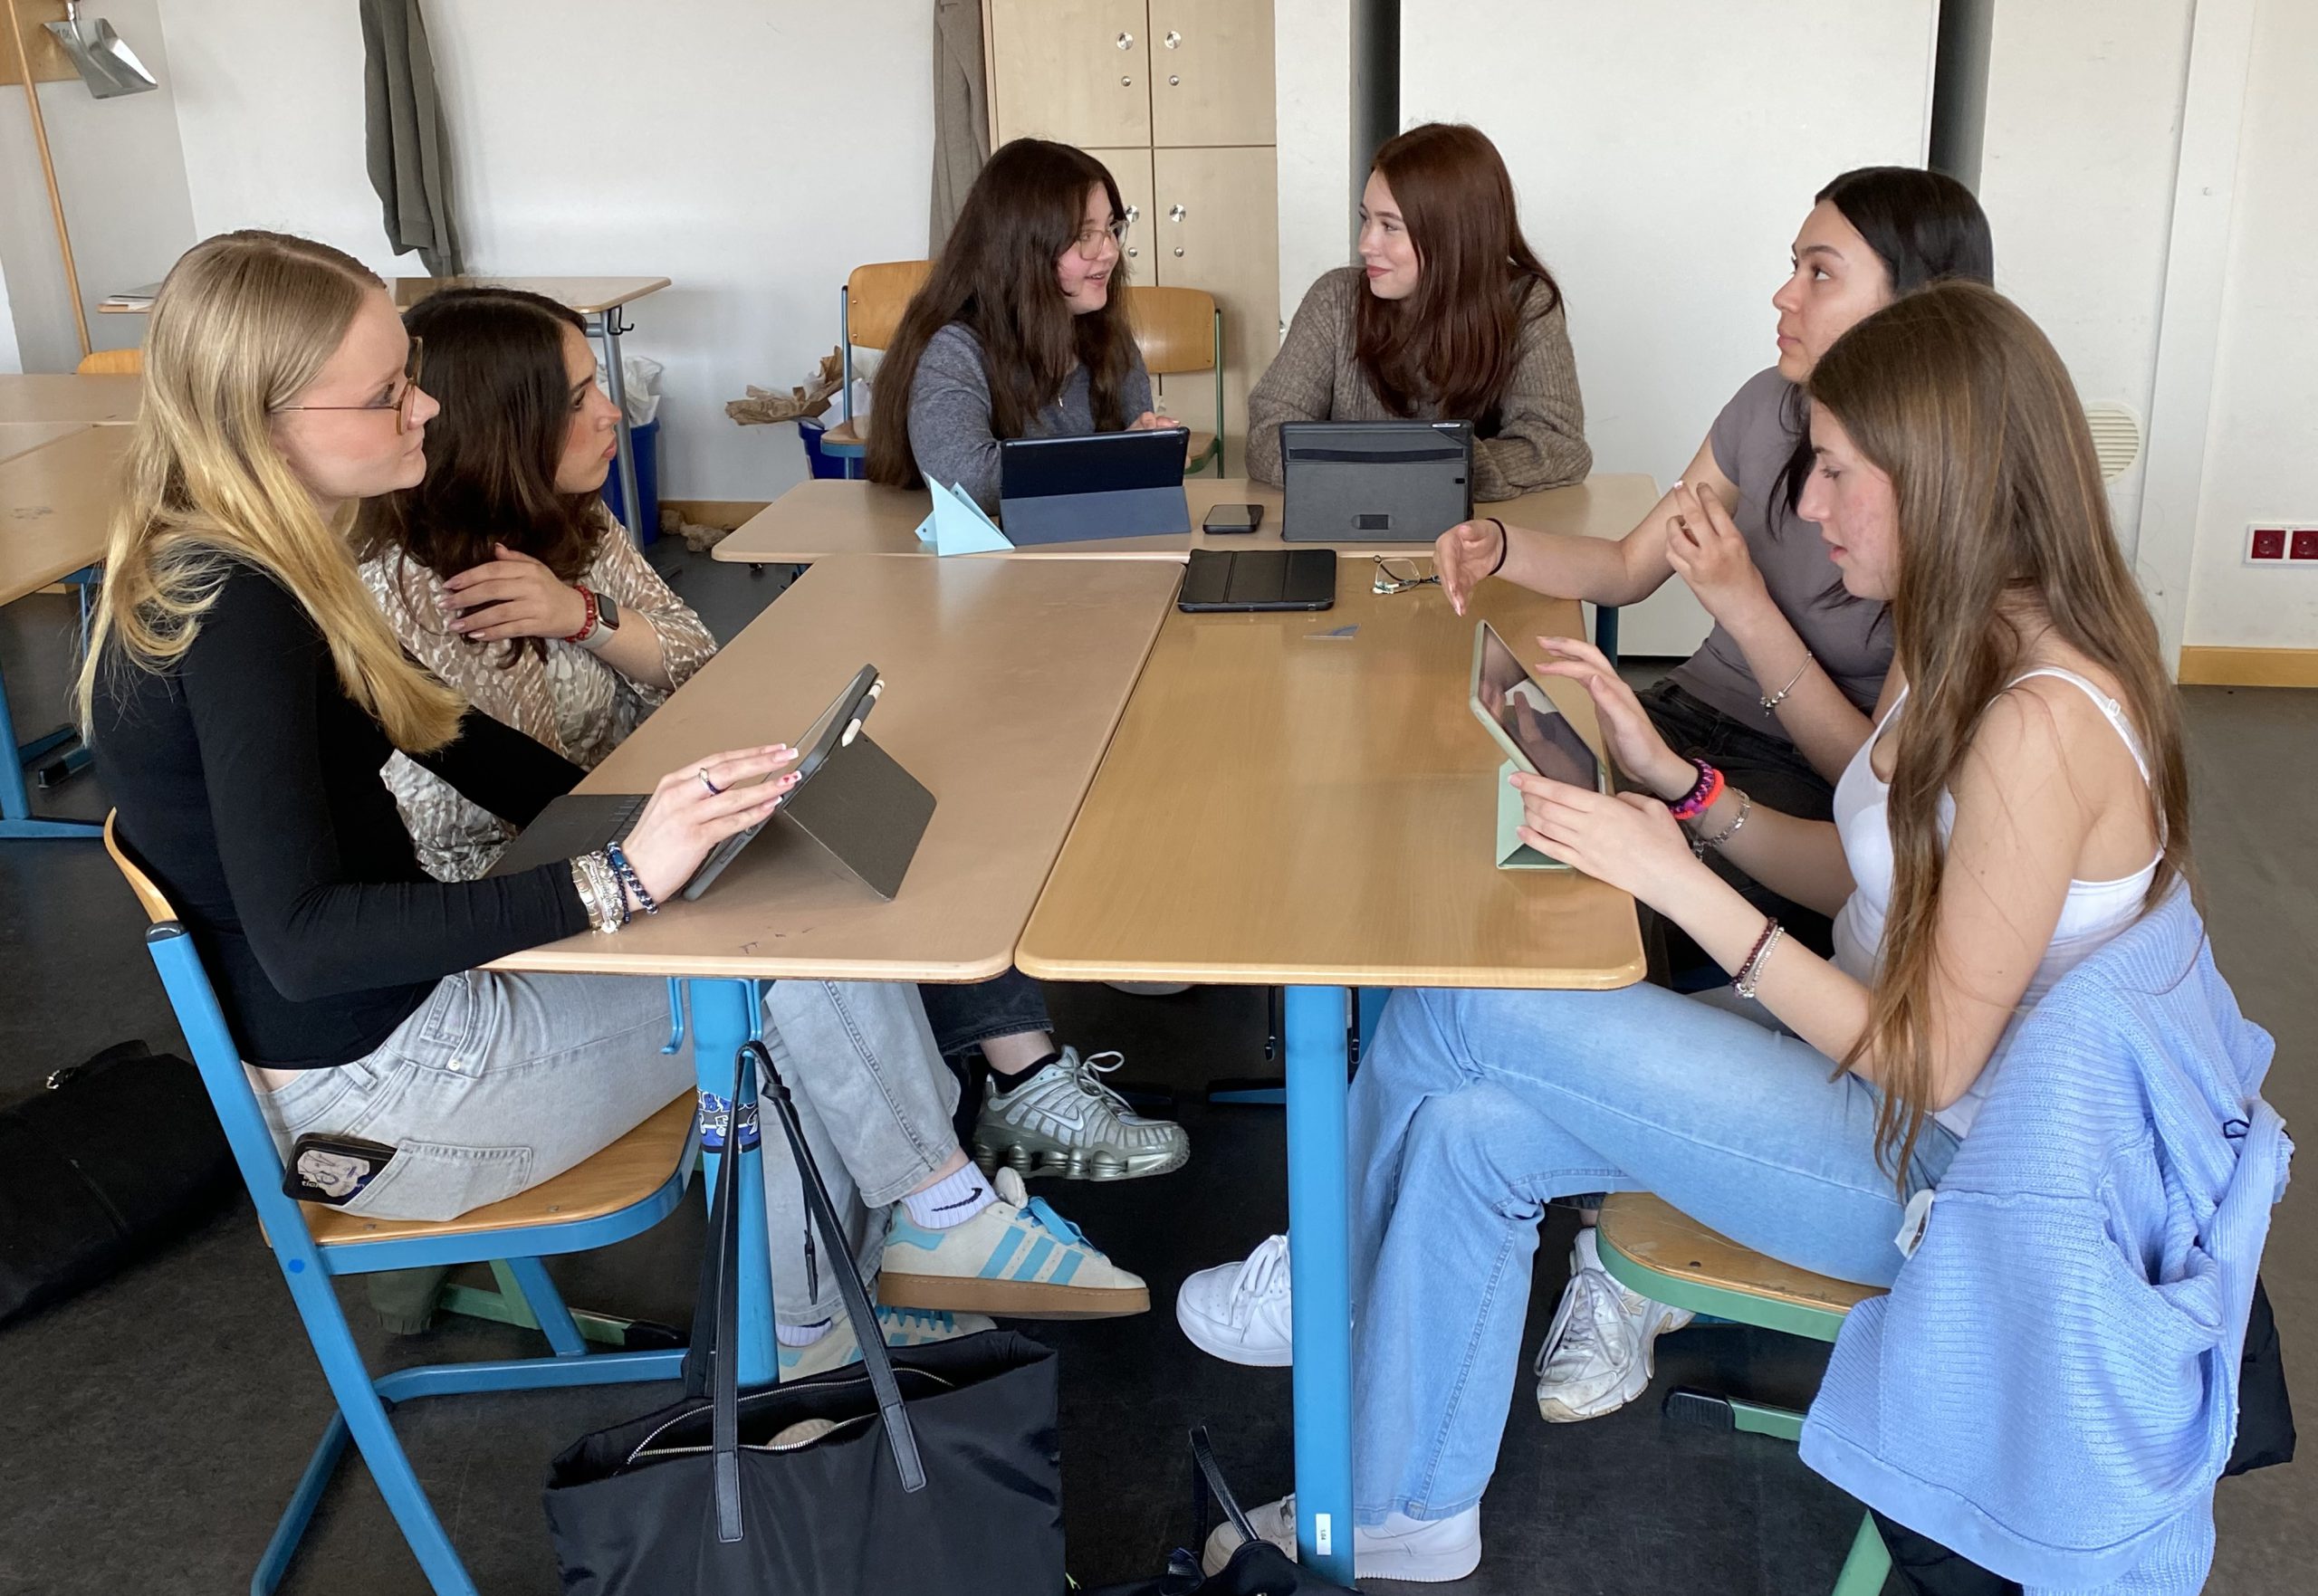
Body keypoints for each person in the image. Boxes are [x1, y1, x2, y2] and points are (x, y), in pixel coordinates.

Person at [1181, 282, 2188, 1582]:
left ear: (1939, 478)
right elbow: (1864, 870)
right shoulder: (1969, 636)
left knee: (1462, 1005)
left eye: (1837, 472)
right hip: (1875, 1084)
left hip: (1945, 1173)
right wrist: (1680, 788)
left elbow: (1930, 1059)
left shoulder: (2039, 722)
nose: (1808, 506)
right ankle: (1402, 1507)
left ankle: (1323, 1275)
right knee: (1466, 1130)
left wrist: (1680, 886)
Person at [84, 233, 1151, 1386]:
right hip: (389, 1098)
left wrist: (691, 820)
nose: (424, 405)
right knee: (778, 958)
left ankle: (861, 1277)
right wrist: (622, 875)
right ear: (263, 420)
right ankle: (912, 1239)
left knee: (764, 895)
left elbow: (450, 736)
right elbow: (307, 943)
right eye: (388, 390)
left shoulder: (244, 563)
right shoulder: (242, 612)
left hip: (395, 1038)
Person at [353, 285, 1188, 1195]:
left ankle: (1003, 1093)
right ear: (503, 427)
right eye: (580, 396)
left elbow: (694, 659)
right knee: (809, 910)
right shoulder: (398, 596)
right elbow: (466, 831)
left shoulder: (574, 526)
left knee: (876, 804)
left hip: (634, 840)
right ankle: (960, 1167)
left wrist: (582, 616)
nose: (612, 412)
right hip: (543, 902)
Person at [1433, 166, 1993, 955]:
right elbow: (1629, 566)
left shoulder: (1950, 496)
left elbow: (1874, 788)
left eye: (1821, 273)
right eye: (1794, 265)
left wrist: (1745, 606)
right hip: (1686, 715)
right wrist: (1500, 544)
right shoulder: (1769, 404)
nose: (1784, 295)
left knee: (1588, 902)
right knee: (1477, 809)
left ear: (1917, 304)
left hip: (1800, 785)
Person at [1244, 121, 1590, 501]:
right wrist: (1427, 467)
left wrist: (1406, 468)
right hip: (1348, 524)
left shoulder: (1525, 304)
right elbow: (1268, 432)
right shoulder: (1335, 299)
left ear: (1453, 235)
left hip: (1478, 530)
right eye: (1366, 219)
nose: (1365, 245)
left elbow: (1558, 445)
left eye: (1390, 227)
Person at [867, 138, 1177, 514]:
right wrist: (1114, 458)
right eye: (1084, 235)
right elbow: (966, 482)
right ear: (1021, 250)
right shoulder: (955, 350)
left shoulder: (1110, 336)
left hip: (1084, 537)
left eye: (1111, 228)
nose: (1110, 251)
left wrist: (1144, 448)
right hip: (983, 550)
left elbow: (1133, 471)